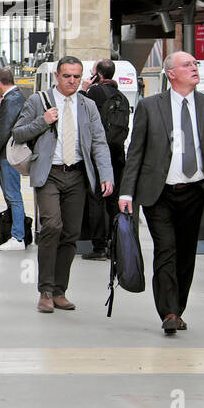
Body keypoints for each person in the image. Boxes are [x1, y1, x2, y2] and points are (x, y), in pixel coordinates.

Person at [119, 52, 204, 335]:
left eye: (195, 64)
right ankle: (168, 312)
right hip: (159, 193)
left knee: (186, 254)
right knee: (165, 250)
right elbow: (136, 152)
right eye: (187, 65)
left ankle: (177, 308)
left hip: (195, 191)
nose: (194, 68)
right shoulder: (149, 107)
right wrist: (127, 193)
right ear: (171, 74)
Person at [10, 55, 113, 314]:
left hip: (77, 175)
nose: (72, 81)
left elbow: (99, 142)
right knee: (52, 226)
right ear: (57, 76)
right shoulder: (38, 101)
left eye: (77, 76)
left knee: (71, 233)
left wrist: (106, 174)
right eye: (67, 76)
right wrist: (42, 121)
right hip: (49, 174)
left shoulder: (88, 106)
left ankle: (59, 291)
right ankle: (44, 290)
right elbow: (18, 133)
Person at [81, 60, 128, 260]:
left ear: (98, 75)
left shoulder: (94, 93)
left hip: (98, 155)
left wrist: (83, 90)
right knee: (113, 200)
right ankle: (115, 244)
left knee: (96, 200)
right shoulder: (122, 97)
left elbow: (80, 113)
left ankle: (98, 246)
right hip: (117, 154)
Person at [0, 67, 28, 252]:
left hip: (9, 155)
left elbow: (5, 131)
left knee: (13, 195)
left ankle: (18, 236)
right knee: (12, 195)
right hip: (11, 153)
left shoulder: (11, 99)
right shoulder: (18, 97)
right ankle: (15, 233)